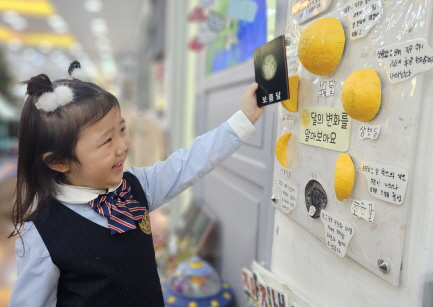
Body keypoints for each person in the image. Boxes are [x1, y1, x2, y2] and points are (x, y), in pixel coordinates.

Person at [8, 61, 263, 307]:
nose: (122, 146)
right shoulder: (40, 235)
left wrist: (242, 120)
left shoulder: (136, 186)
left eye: (121, 129)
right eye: (106, 141)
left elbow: (188, 163)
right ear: (59, 161)